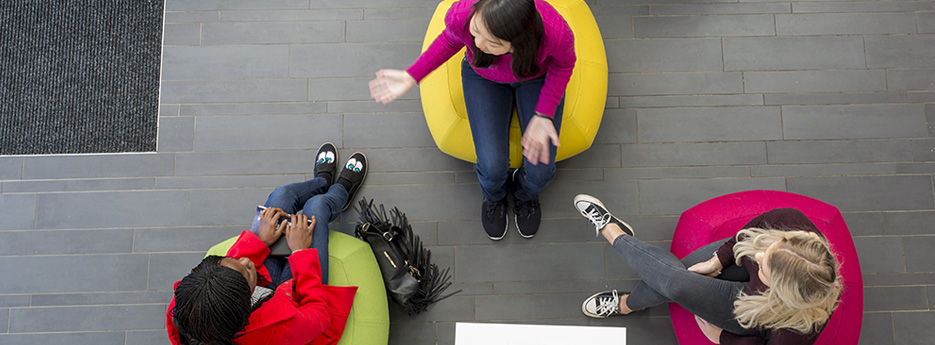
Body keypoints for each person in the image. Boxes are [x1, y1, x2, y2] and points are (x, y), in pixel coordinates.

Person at [369, 0, 576, 241]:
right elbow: (450, 40)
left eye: (493, 42)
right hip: (483, 76)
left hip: (535, 77)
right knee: (491, 168)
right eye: (476, 32)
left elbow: (564, 64)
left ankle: (524, 195)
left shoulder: (555, 33)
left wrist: (544, 113)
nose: (477, 44)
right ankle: (494, 198)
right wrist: (412, 75)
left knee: (541, 173)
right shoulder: (463, 14)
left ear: (520, 40)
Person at [166, 143, 368, 345]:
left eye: (230, 260)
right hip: (295, 308)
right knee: (317, 207)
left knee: (281, 196)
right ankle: (340, 192)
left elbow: (237, 265)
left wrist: (259, 241)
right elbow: (317, 315)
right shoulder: (275, 335)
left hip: (263, 291)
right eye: (245, 271)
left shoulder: (188, 304)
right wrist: (300, 252)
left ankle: (321, 182)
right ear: (245, 304)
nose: (246, 260)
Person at [572, 194, 843, 345]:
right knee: (677, 278)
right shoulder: (790, 221)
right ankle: (629, 302)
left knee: (676, 284)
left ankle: (612, 232)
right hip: (733, 267)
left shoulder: (798, 328)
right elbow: (750, 232)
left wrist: (723, 338)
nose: (757, 254)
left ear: (782, 290)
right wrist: (718, 260)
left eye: (764, 266)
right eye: (769, 249)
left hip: (755, 310)